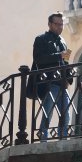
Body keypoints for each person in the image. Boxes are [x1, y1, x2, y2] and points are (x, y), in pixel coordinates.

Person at [31, 12, 72, 141]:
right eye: (57, 24)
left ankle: (63, 140)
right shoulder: (41, 39)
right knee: (47, 113)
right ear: (49, 24)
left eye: (62, 24)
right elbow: (39, 59)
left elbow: (65, 61)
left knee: (66, 114)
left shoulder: (63, 41)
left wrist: (69, 77)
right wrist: (59, 55)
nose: (60, 27)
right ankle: (43, 139)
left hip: (62, 83)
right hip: (49, 81)